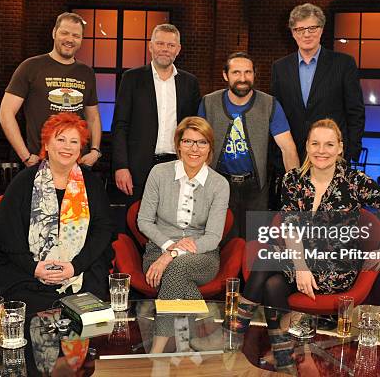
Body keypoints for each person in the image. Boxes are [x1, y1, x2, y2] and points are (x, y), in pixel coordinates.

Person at [229, 118, 380, 372]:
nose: (322, 150)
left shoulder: (354, 181)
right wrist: (300, 266)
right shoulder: (293, 181)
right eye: (316, 144)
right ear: (307, 147)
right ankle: (283, 353)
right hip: (301, 257)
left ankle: (233, 331)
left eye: (329, 144)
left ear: (340, 148)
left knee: (267, 268)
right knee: (271, 280)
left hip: (336, 265)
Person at [0, 113, 114, 315]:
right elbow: (8, 235)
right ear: (46, 144)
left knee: (87, 307)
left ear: (80, 148)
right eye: (61, 139)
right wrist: (34, 268)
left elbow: (103, 230)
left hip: (79, 271)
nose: (67, 147)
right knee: (33, 307)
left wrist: (75, 266)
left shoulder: (91, 183)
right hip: (29, 273)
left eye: (74, 141)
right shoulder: (24, 181)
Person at [137, 116, 229, 353]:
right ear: (178, 144)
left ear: (210, 147)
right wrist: (168, 247)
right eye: (188, 141)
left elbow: (213, 237)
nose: (194, 149)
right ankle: (187, 341)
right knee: (178, 276)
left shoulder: (219, 184)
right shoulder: (159, 173)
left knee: (177, 268)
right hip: (156, 250)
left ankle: (156, 351)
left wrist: (172, 254)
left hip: (202, 255)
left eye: (201, 142)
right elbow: (144, 221)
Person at [199, 52, 299, 237]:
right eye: (236, 72)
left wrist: (296, 188)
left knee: (255, 244)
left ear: (254, 74)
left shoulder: (269, 104)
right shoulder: (208, 102)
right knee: (221, 243)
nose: (243, 78)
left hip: (256, 187)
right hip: (219, 184)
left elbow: (288, 148)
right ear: (225, 75)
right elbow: (198, 146)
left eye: (248, 72)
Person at [0, 12, 103, 168]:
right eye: (64, 33)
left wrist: (95, 151)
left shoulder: (86, 72)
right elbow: (5, 113)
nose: (70, 39)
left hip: (77, 164)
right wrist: (25, 156)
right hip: (41, 163)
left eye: (76, 35)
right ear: (54, 33)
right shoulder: (30, 67)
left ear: (81, 39)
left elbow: (93, 117)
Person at [112, 24, 201, 203]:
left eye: (170, 45)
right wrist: (121, 166)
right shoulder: (131, 78)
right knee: (136, 221)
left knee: (174, 223)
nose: (165, 49)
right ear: (151, 46)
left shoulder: (190, 83)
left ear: (178, 49)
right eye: (160, 44)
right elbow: (120, 125)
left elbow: (194, 128)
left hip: (177, 165)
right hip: (138, 167)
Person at [271, 3, 364, 164]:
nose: (306, 34)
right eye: (300, 29)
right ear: (293, 33)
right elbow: (276, 114)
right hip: (293, 156)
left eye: (312, 28)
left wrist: (349, 152)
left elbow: (355, 111)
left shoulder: (344, 64)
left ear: (321, 30)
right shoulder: (280, 67)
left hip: (332, 155)